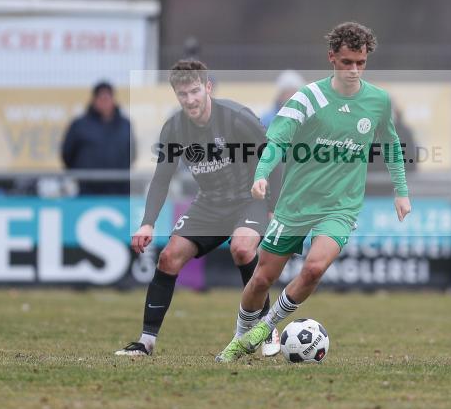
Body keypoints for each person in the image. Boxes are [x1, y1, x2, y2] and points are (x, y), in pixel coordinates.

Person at [215, 21, 412, 363]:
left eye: (361, 63)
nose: (354, 70)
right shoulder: (308, 97)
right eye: (347, 62)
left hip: (341, 206)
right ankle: (240, 335)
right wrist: (262, 174)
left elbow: (392, 145)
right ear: (332, 58)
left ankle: (265, 328)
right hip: (296, 203)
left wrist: (401, 190)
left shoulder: (378, 101)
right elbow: (276, 140)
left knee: (314, 269)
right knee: (262, 278)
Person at [116, 60, 282, 357]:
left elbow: (273, 158)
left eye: (195, 91)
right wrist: (147, 222)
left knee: (243, 249)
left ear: (207, 87)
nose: (190, 99)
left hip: (249, 199)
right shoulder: (174, 127)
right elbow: (161, 178)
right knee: (168, 259)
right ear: (176, 96)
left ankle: (266, 327)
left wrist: (272, 207)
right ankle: (146, 342)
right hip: (210, 202)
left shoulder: (236, 118)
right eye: (183, 94)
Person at [61, 82, 135, 195]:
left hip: (119, 189)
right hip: (87, 190)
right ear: (94, 100)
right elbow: (67, 154)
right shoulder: (79, 125)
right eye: (101, 98)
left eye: (108, 98)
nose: (105, 102)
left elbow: (132, 153)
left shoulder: (125, 124)